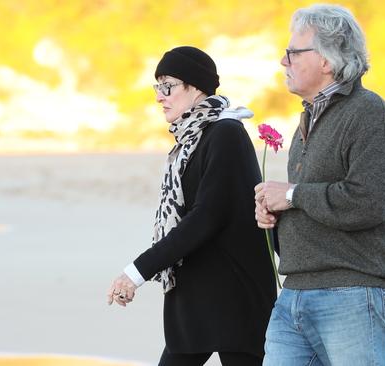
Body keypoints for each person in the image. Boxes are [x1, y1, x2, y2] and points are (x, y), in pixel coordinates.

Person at [253, 5, 385, 365]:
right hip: (294, 294)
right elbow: (311, 204)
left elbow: (368, 202)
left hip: (353, 292)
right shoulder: (308, 119)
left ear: (327, 59)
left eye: (293, 52)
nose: (282, 61)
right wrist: (275, 215)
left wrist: (291, 195)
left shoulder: (370, 114)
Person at [107, 46, 276, 366]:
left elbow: (206, 217)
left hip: (235, 296)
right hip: (196, 296)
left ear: (195, 87)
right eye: (157, 87)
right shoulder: (193, 138)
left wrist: (136, 272)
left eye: (167, 86)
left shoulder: (227, 134)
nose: (159, 96)